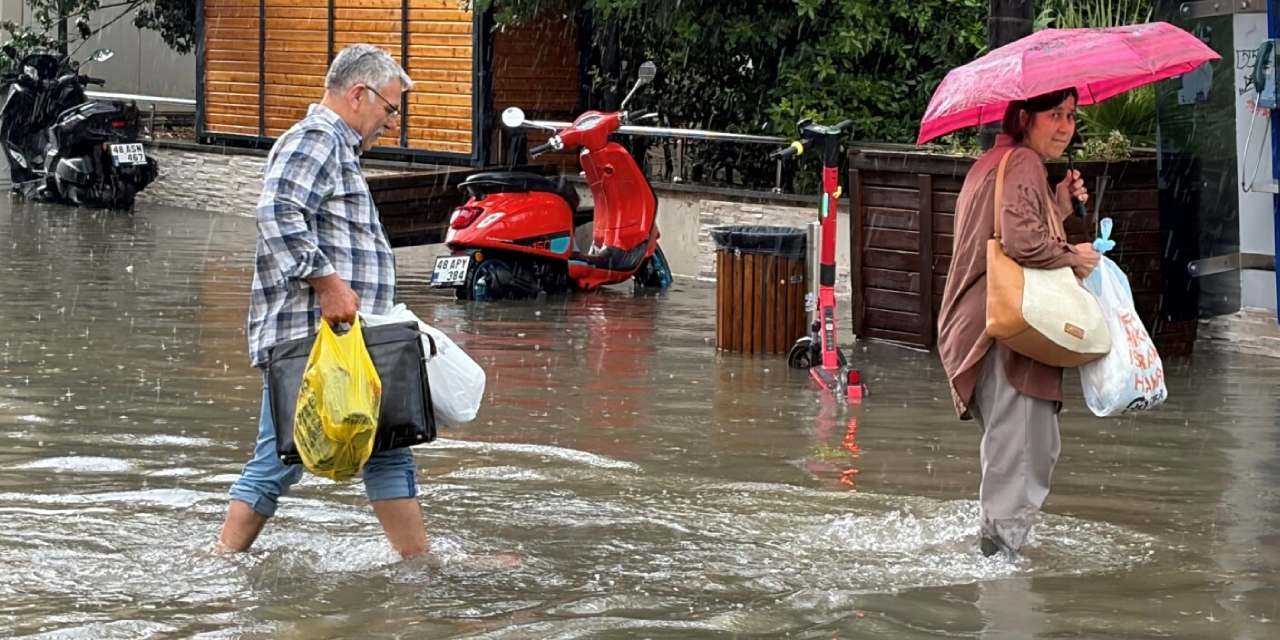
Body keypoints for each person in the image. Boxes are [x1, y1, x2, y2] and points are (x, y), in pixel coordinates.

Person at [215, 44, 427, 559]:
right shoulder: (317, 138)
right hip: (312, 340)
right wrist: (329, 284)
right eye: (390, 109)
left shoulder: (336, 148)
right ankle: (220, 561)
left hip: (348, 339)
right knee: (279, 457)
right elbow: (278, 212)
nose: (391, 122)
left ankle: (420, 565)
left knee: (388, 444)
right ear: (359, 94)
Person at [936, 87, 1101, 557]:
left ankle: (997, 552)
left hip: (981, 328)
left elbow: (1009, 230)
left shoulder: (992, 163)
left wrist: (1059, 206)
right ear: (1025, 117)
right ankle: (1001, 588)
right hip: (1007, 335)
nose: (1066, 127)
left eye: (1071, 116)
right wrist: (1076, 256)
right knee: (1025, 455)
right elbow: (1023, 244)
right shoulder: (1024, 163)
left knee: (1013, 455)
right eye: (1055, 115)